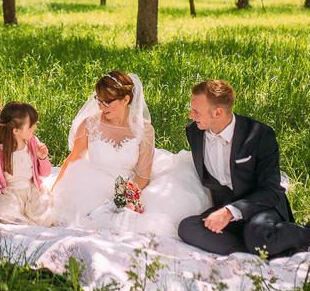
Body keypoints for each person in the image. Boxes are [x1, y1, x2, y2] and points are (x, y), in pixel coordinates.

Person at [49, 71, 210, 235]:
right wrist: (54, 189)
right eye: (99, 100)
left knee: (152, 215)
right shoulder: (89, 124)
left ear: (126, 99)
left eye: (108, 102)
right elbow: (73, 158)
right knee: (82, 212)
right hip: (91, 183)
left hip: (129, 184)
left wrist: (123, 198)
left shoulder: (144, 129)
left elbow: (142, 175)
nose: (102, 106)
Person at [178, 80, 310, 257]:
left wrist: (230, 212)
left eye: (196, 111)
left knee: (257, 235)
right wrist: (225, 212)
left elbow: (271, 190)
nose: (190, 115)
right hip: (225, 207)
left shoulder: (260, 135)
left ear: (218, 112)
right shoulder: (194, 132)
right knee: (188, 228)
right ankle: (259, 248)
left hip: (262, 206)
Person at [0, 101, 53, 225]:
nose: (35, 127)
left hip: (31, 191)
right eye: (31, 125)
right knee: (6, 211)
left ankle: (31, 216)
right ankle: (18, 220)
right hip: (9, 193)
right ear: (16, 131)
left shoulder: (33, 143)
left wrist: (42, 158)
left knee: (46, 213)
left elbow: (46, 172)